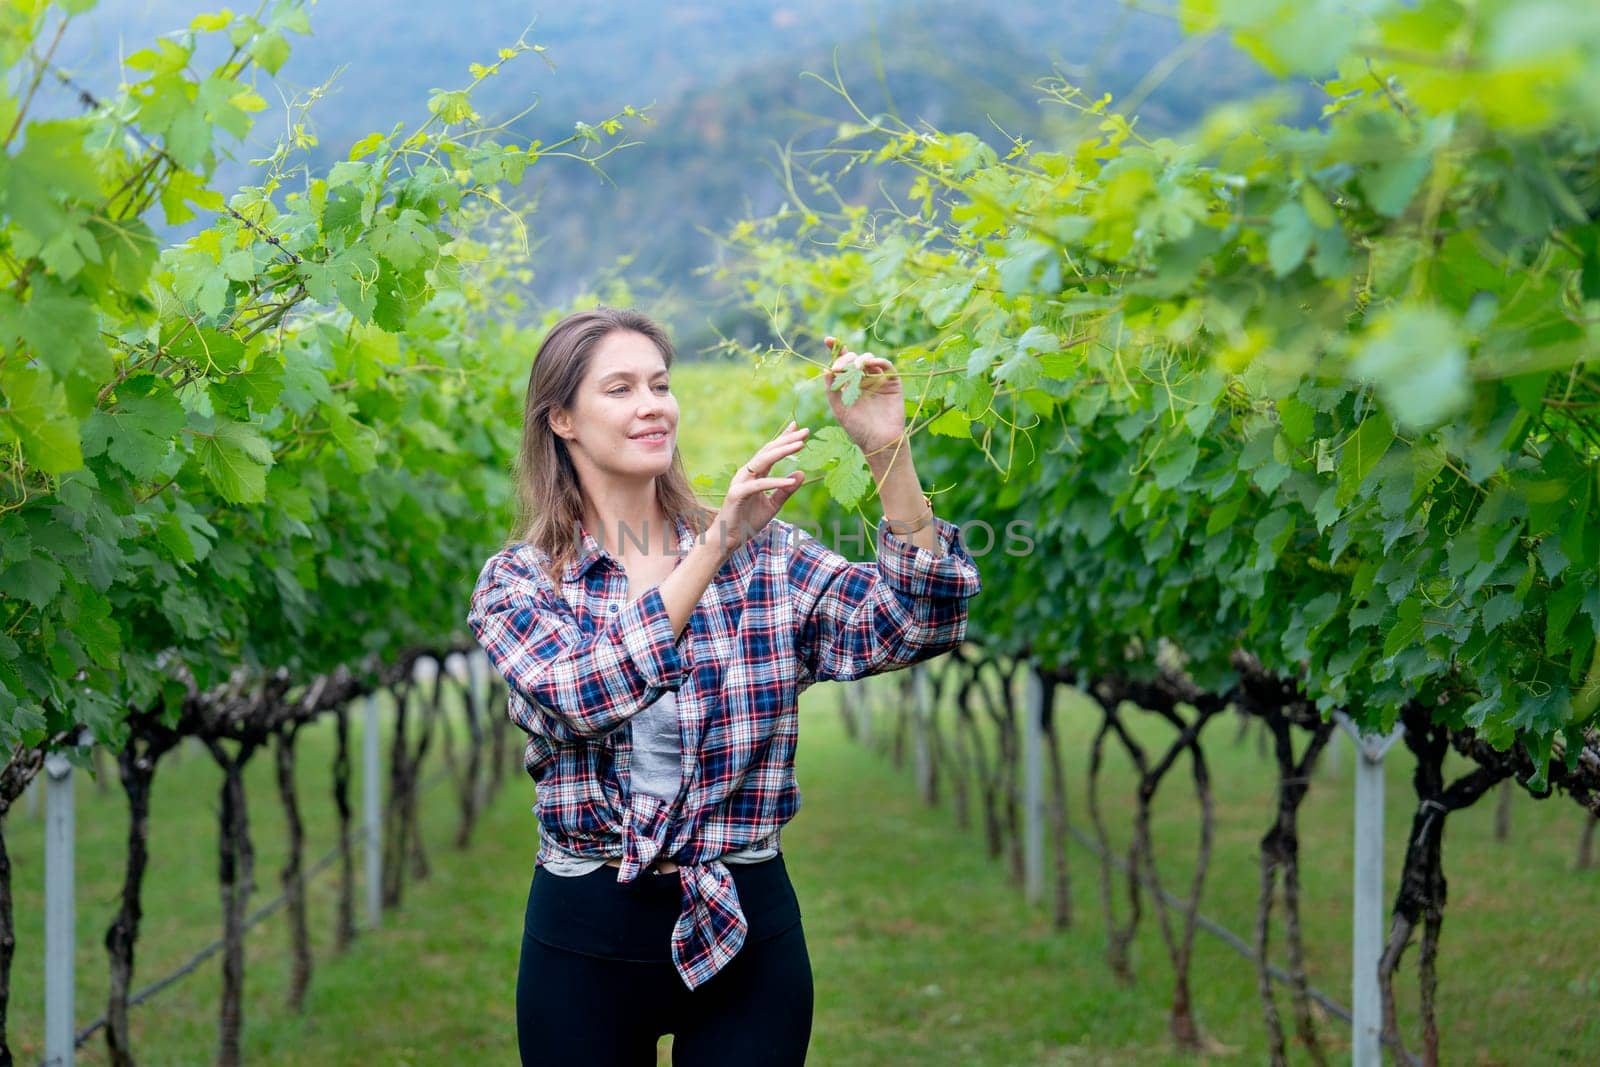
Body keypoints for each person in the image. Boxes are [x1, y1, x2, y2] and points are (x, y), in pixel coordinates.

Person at [467, 306, 982, 1066]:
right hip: (585, 936)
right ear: (563, 420)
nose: (652, 404)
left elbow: (916, 622)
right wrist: (712, 547)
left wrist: (888, 454)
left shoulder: (762, 555)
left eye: (661, 383)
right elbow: (585, 695)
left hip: (747, 915)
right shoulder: (522, 581)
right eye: (620, 388)